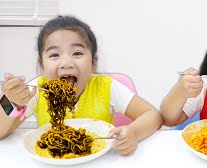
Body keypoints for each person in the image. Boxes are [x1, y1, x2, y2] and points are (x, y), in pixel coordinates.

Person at [0, 15, 163, 156]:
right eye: (54, 55)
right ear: (42, 66)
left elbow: (153, 115)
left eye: (77, 53)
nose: (66, 63)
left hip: (101, 162)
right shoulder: (36, 89)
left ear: (93, 63)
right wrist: (11, 101)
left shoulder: (105, 87)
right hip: (52, 163)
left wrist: (133, 133)